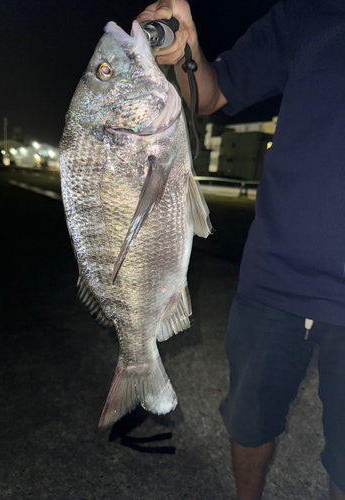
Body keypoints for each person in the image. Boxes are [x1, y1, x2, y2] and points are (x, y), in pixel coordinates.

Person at [137, 1, 345, 499]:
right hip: (276, 277)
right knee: (249, 423)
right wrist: (184, 52)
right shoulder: (309, 16)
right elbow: (210, 94)